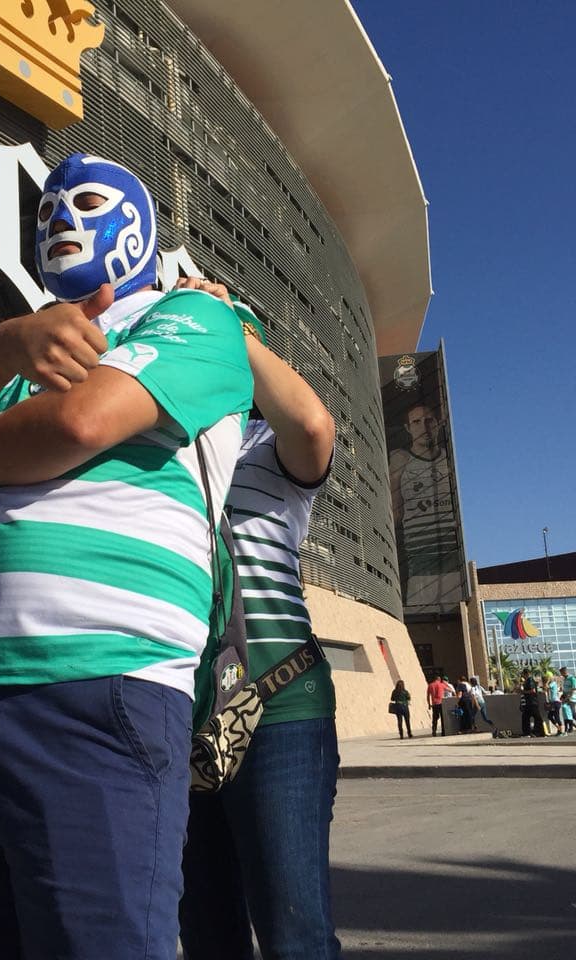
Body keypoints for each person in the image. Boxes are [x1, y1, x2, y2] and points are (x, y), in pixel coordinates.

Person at [0, 152, 253, 960]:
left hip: (101, 691)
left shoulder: (196, 321)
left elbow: (81, 424)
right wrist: (8, 342)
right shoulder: (28, 353)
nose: (60, 219)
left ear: (141, 225)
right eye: (47, 207)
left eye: (84, 202)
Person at [177, 285, 341, 960]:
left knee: (293, 931)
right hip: (177, 713)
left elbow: (313, 427)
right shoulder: (168, 451)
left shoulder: (268, 447)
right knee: (205, 931)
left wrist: (227, 329)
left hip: (277, 705)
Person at [387, 402, 463, 607]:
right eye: (417, 422)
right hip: (420, 570)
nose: (424, 427)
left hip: (454, 569)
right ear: (408, 428)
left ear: (439, 423)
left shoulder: (450, 462)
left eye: (429, 420)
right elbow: (394, 515)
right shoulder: (401, 461)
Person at [558, 668, 576, 734]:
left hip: (572, 698)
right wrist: (563, 696)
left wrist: (569, 697)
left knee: (572, 714)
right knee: (568, 714)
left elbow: (574, 688)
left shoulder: (572, 678)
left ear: (564, 672)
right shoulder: (565, 679)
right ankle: (570, 728)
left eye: (561, 673)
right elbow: (565, 689)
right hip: (566, 698)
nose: (561, 674)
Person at [519, 668, 544, 737]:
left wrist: (523, 691)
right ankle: (528, 733)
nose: (523, 676)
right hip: (529, 703)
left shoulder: (530, 680)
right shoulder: (527, 681)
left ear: (526, 674)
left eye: (523, 674)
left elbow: (532, 691)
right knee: (525, 718)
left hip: (532, 702)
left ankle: (538, 732)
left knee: (537, 718)